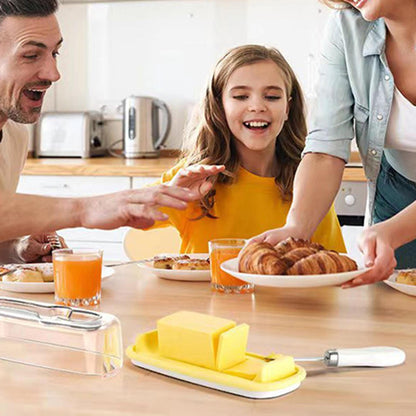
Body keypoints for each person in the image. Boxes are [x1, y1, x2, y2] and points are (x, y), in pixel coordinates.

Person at [0, 0, 198, 257]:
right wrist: (87, 209)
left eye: (55, 53)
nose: (53, 73)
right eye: (30, 55)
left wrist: (17, 250)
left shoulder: (15, 136)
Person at [253, 0, 416, 287]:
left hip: (397, 225)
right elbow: (325, 147)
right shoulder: (347, 27)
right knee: (393, 319)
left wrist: (398, 230)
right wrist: (297, 228)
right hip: (396, 193)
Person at [144, 44, 345, 254]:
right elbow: (130, 213)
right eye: (241, 96)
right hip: (207, 288)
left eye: (272, 97)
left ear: (288, 108)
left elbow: (333, 270)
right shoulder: (194, 177)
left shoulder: (311, 187)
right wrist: (171, 195)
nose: (257, 106)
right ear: (219, 107)